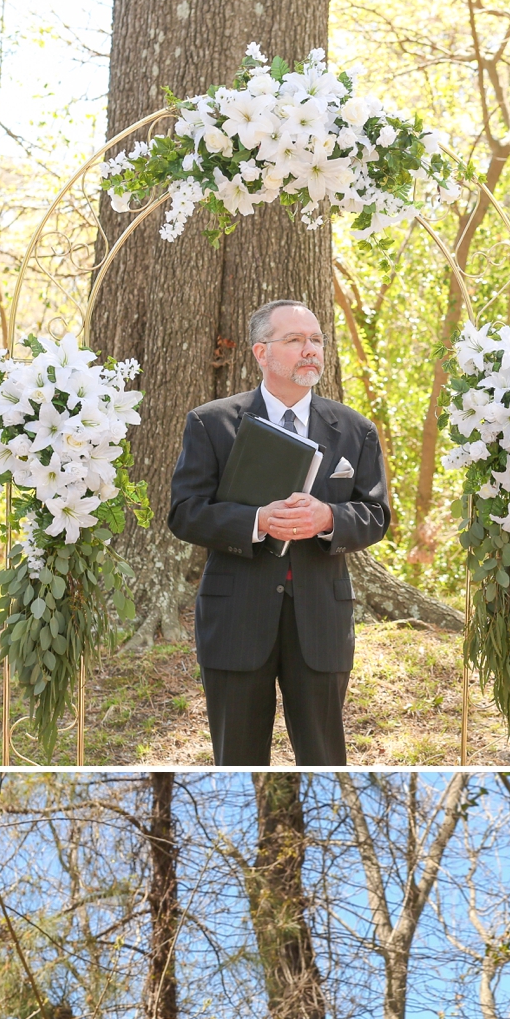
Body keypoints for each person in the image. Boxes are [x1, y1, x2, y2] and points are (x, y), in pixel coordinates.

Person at [168, 298, 391, 767]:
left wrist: (328, 518)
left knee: (325, 761)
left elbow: (376, 515)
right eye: (294, 340)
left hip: (321, 621)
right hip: (235, 619)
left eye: (315, 340)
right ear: (261, 352)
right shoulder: (211, 423)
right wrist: (256, 521)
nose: (309, 349)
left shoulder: (355, 429)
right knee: (238, 760)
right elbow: (185, 512)